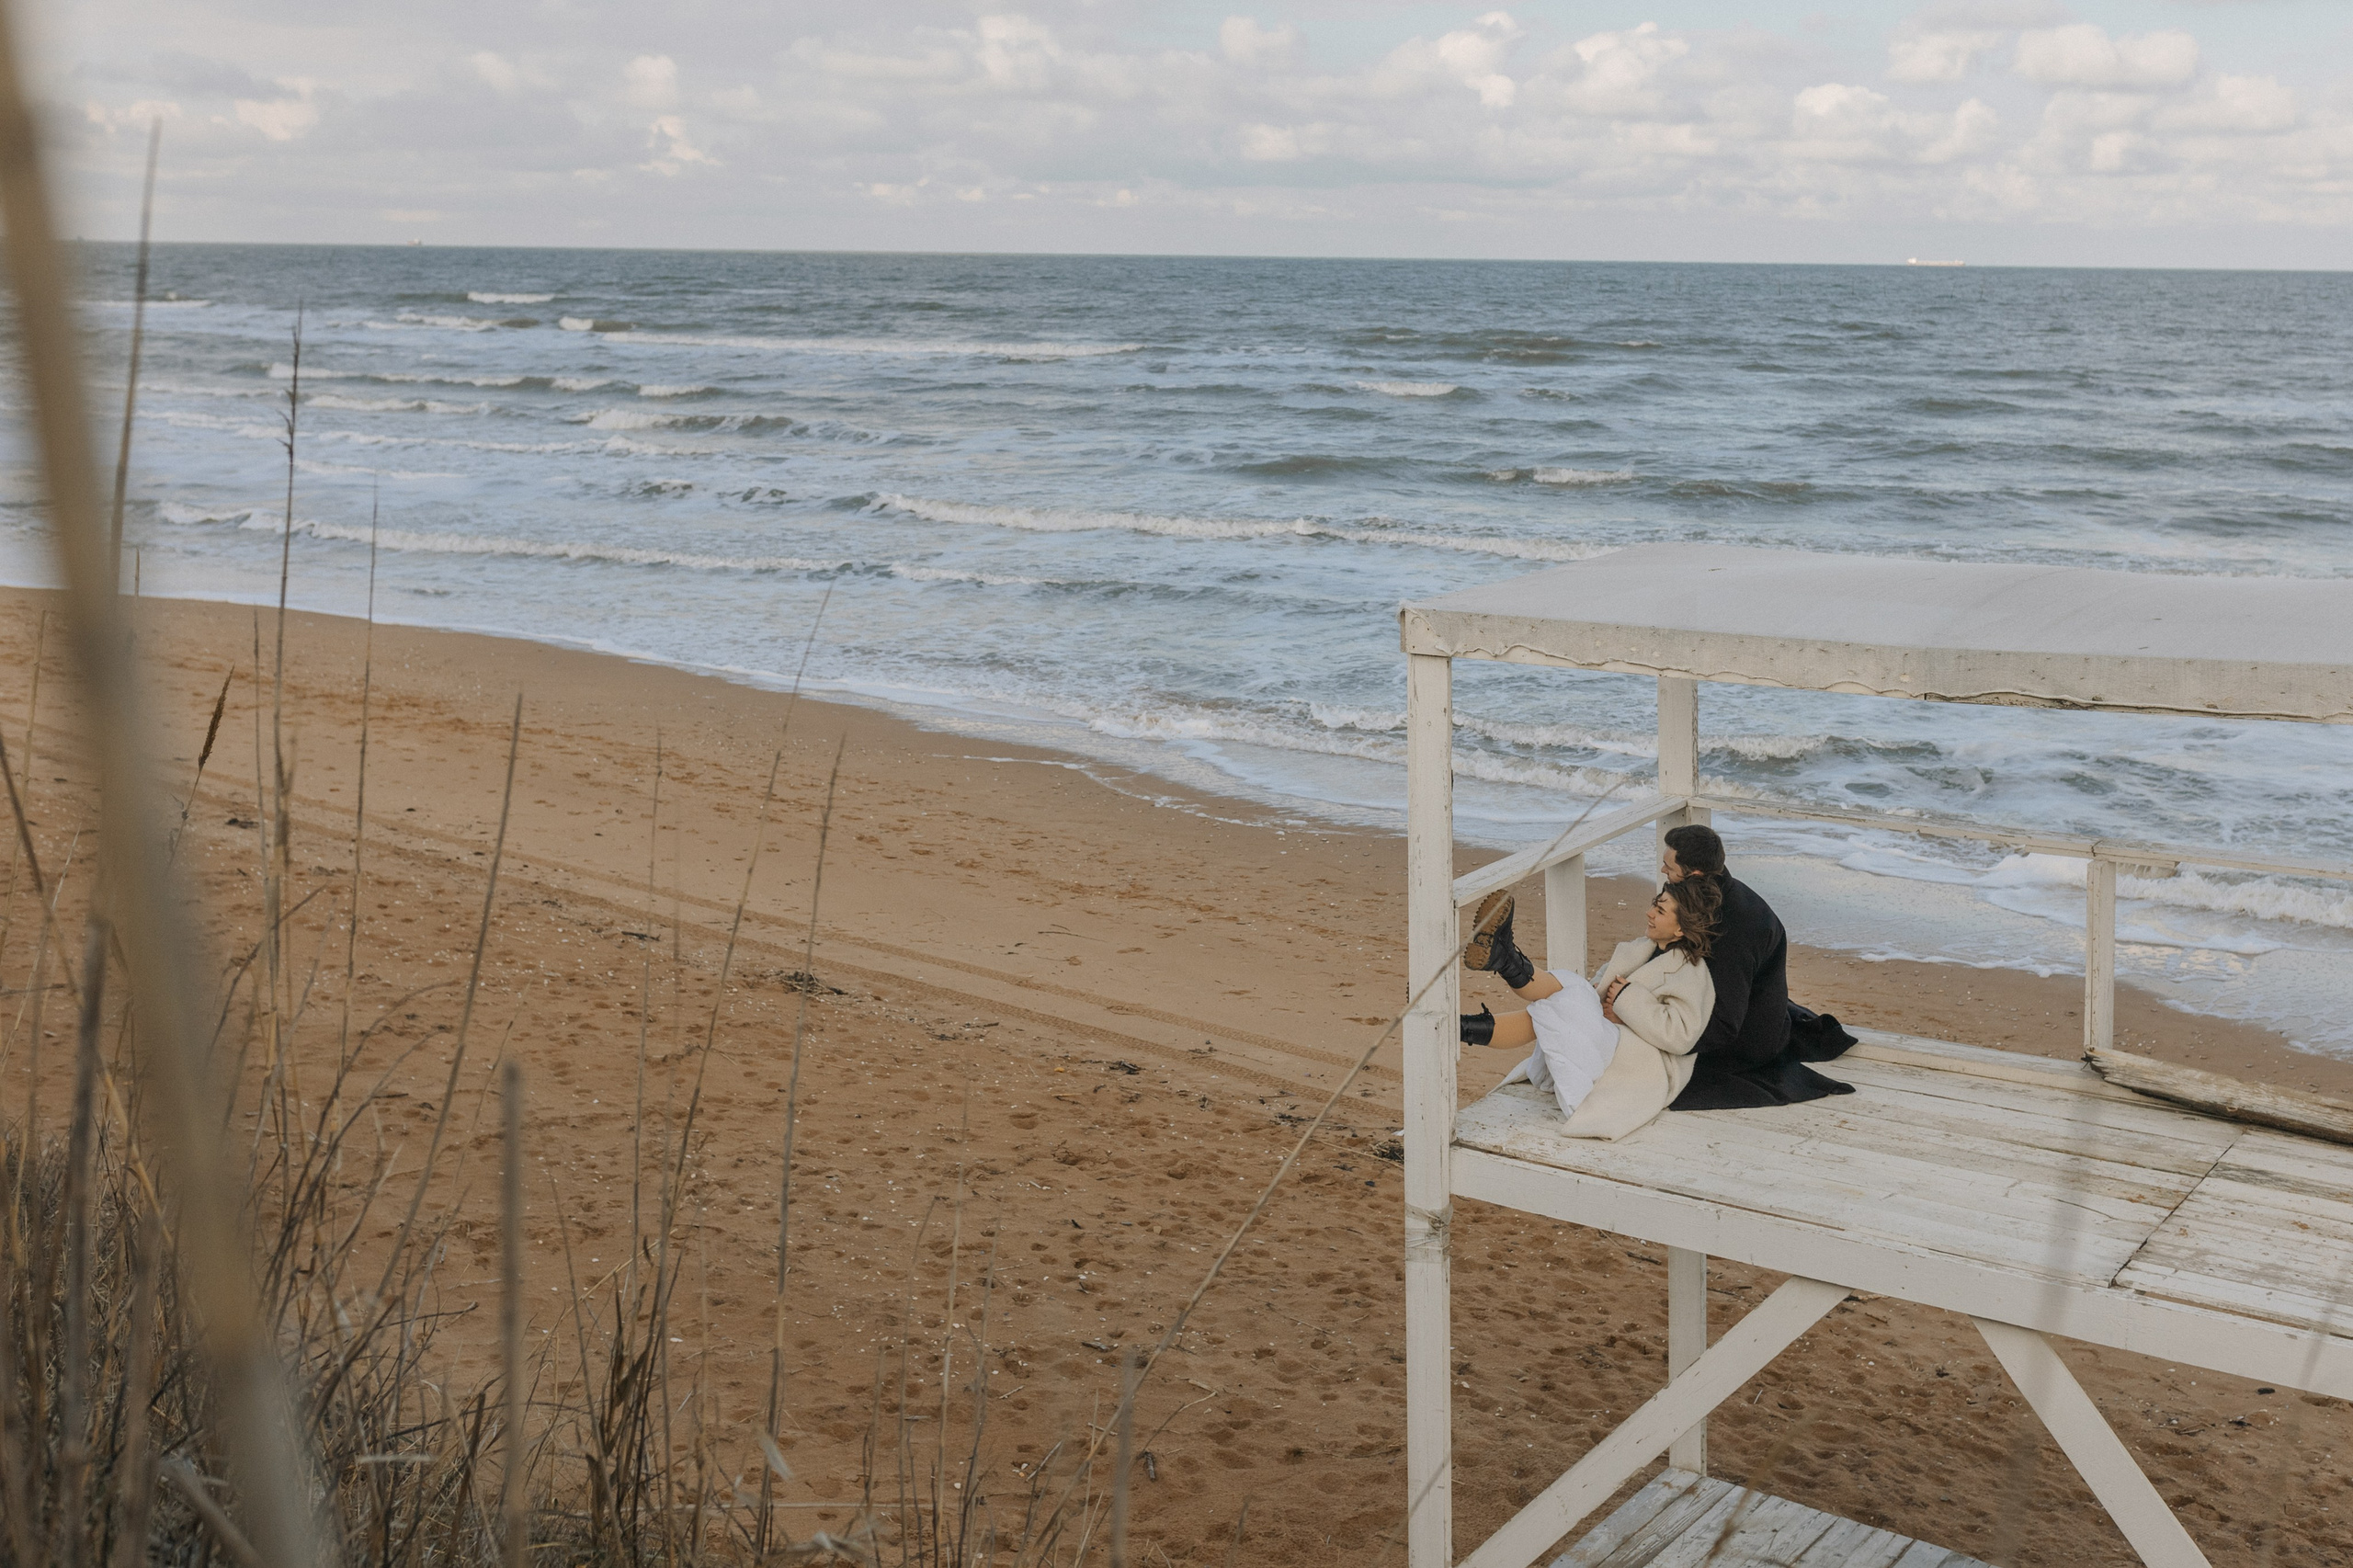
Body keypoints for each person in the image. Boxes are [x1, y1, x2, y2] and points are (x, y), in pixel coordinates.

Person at [1457, 878, 1720, 1141]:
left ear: (1680, 930)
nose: (1649, 913)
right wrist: (1604, 1000)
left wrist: (1626, 1001)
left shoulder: (1692, 974)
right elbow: (1598, 990)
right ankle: (1467, 1017)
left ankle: (1502, 965)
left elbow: (1681, 1036)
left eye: (1660, 911)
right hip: (1604, 1043)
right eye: (1654, 904)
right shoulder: (1641, 948)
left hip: (1636, 1065)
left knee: (1569, 994)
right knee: (1565, 998)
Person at [1657, 823, 1854, 1109]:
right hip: (1734, 1005)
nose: (1664, 871)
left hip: (1746, 1040)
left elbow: (1726, 1024)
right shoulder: (1700, 895)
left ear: (1695, 873)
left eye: (1669, 867)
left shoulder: (1735, 927)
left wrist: (1658, 1031)